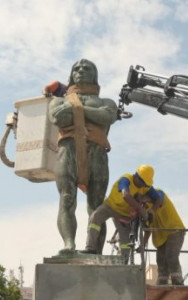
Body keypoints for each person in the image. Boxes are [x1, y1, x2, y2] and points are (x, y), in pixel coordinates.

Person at [48, 59, 119, 254]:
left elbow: (108, 116)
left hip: (97, 154)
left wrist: (77, 110)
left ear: (94, 75)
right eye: (76, 68)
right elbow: (58, 118)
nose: (80, 71)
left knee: (96, 205)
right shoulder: (58, 101)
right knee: (67, 198)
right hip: (67, 152)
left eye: (86, 68)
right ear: (71, 74)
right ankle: (69, 244)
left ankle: (94, 248)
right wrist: (92, 114)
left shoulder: (107, 102)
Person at [84, 165, 161, 262]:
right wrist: (140, 209)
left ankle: (123, 260)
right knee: (95, 217)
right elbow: (125, 195)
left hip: (124, 215)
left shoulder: (146, 187)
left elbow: (158, 199)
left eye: (146, 184)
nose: (143, 186)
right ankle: (91, 248)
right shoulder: (126, 179)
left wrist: (152, 210)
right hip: (110, 206)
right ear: (136, 176)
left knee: (125, 239)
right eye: (143, 183)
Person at [142, 189, 185, 285]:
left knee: (171, 256)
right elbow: (148, 229)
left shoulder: (158, 194)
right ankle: (162, 281)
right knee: (161, 261)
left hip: (174, 230)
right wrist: (143, 244)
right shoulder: (146, 209)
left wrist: (148, 201)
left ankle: (177, 281)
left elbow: (160, 200)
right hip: (161, 236)